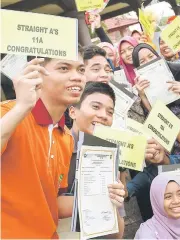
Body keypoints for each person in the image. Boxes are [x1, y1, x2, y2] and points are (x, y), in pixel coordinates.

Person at [0, 52, 124, 237]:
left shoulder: (65, 138)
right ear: (37, 72)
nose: (77, 76)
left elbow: (52, 200)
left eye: (81, 69)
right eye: (64, 68)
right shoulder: (8, 113)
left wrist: (103, 196)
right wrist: (21, 108)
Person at [66, 81, 126, 238]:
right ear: (73, 112)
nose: (103, 116)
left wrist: (114, 204)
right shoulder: (55, 149)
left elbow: (117, 235)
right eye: (95, 107)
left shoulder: (109, 159)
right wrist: (92, 198)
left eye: (110, 112)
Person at [132, 43, 180, 135]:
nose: (149, 62)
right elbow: (155, 120)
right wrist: (143, 95)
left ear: (157, 56)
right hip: (173, 137)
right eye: (142, 61)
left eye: (151, 56)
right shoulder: (142, 89)